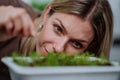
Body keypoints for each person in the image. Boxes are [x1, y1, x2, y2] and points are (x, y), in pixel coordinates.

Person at [0, 0, 113, 80]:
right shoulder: (7, 10)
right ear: (47, 15)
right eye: (58, 29)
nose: (59, 48)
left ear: (90, 48)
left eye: (76, 44)